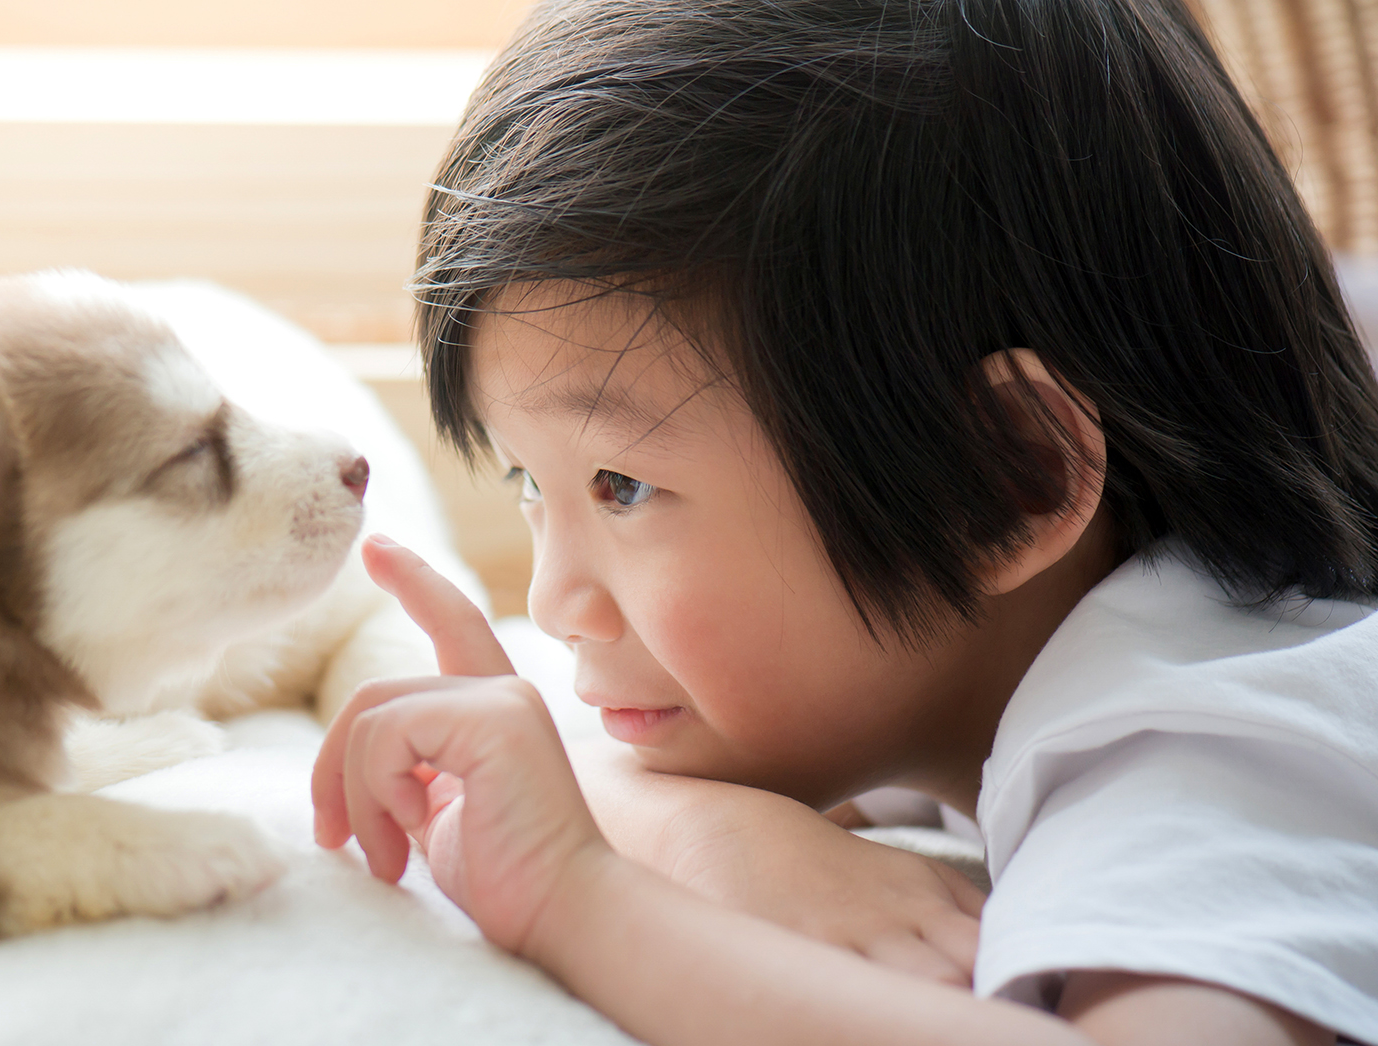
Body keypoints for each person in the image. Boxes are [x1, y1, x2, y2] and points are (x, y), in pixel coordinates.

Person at [307, 0, 1378, 1042]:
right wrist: (713, 836)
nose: (555, 602)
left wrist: (568, 897)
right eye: (523, 481)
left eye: (620, 487)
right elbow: (603, 766)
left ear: (1002, 480)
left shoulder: (1210, 743)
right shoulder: (963, 672)